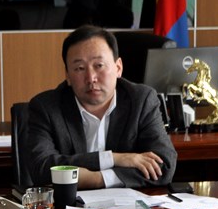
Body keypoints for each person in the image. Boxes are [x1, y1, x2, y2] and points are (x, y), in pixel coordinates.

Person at [26, 25, 177, 188]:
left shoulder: (141, 100)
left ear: (118, 68)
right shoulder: (46, 107)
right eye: (80, 68)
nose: (91, 78)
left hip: (127, 203)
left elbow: (164, 165)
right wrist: (114, 158)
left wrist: (97, 179)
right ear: (67, 75)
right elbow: (41, 168)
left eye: (99, 65)